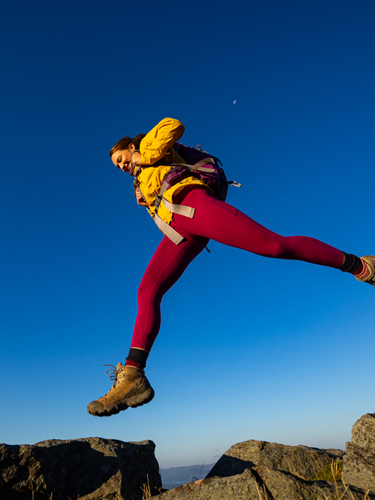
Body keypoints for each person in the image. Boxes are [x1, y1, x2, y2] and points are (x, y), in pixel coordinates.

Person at [87, 117, 374, 417]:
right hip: (180, 228)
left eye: (120, 158)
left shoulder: (146, 148)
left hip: (195, 205)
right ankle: (133, 376)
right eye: (118, 165)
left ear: (129, 147)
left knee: (274, 246)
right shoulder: (141, 179)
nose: (122, 166)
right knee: (148, 290)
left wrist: (141, 155)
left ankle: (358, 265)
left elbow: (174, 125)